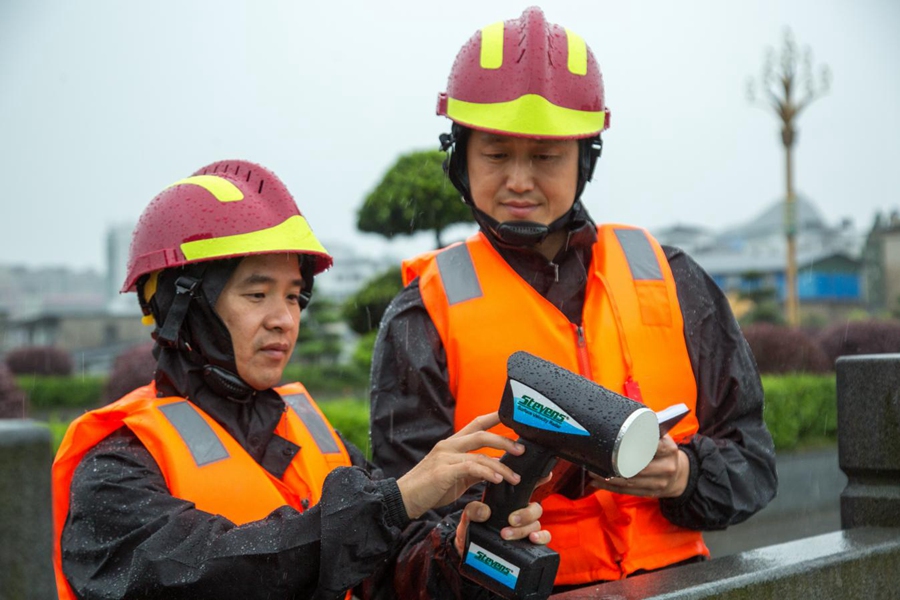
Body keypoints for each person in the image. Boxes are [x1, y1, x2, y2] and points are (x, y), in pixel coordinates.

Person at [369, 6, 778, 592]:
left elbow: (755, 464)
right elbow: (399, 521)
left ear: (586, 158)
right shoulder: (422, 311)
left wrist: (683, 475)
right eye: (495, 153)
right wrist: (467, 536)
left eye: (545, 156)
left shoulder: (671, 276)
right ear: (459, 157)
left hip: (683, 584)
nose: (518, 180)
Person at [51, 159, 548, 599]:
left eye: (292, 296)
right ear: (182, 309)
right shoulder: (116, 466)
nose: (284, 320)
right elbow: (204, 573)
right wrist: (393, 503)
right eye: (256, 294)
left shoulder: (309, 429)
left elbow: (389, 573)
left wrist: (460, 552)